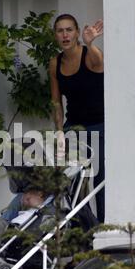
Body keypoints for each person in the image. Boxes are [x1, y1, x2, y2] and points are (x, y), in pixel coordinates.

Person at [49, 14, 105, 223]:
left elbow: (99, 62)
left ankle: (104, 229)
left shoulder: (89, 55)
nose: (65, 35)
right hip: (74, 126)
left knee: (99, 179)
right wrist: (60, 131)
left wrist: (90, 44)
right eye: (60, 30)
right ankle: (85, 229)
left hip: (100, 125)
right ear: (55, 35)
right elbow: (56, 102)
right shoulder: (55, 63)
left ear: (77, 32)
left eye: (69, 30)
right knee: (70, 180)